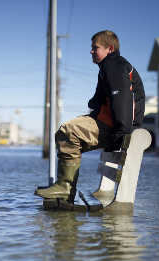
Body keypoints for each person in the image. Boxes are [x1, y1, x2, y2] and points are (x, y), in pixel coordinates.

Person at [35, 30, 145, 202]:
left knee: (69, 131)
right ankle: (65, 188)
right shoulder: (108, 67)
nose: (91, 51)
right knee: (66, 132)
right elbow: (101, 100)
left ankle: (66, 187)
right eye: (92, 48)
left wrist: (121, 135)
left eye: (95, 48)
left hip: (116, 129)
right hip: (111, 124)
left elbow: (122, 101)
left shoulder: (115, 67)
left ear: (110, 49)